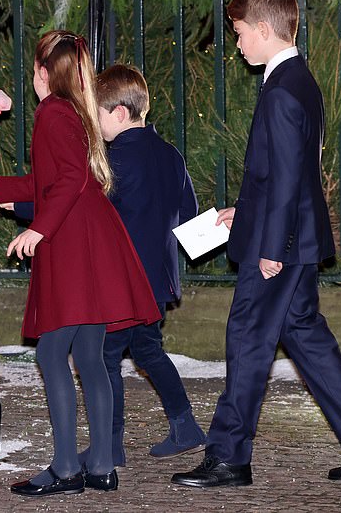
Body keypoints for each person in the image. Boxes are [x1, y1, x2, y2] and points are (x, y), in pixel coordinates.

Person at [172, 0, 341, 488]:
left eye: (237, 34)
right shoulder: (300, 79)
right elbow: (288, 174)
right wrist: (247, 215)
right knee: (304, 334)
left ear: (261, 27)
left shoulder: (280, 89)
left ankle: (230, 457)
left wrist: (270, 245)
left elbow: (286, 178)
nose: (235, 44)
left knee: (248, 339)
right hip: (294, 235)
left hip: (281, 244)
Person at [0, 30, 160, 498]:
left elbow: (67, 180)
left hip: (73, 243)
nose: (33, 77)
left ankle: (67, 468)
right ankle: (103, 467)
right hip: (93, 240)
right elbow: (53, 180)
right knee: (89, 358)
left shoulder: (52, 111)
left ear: (44, 73)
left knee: (52, 354)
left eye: (34, 69)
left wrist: (37, 230)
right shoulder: (77, 112)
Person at [87, 64, 206, 465]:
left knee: (104, 358)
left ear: (119, 113)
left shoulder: (110, 159)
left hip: (120, 283)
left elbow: (85, 211)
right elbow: (188, 214)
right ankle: (185, 425)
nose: (95, 124)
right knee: (149, 352)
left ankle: (110, 443)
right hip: (156, 282)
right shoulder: (170, 155)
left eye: (97, 115)